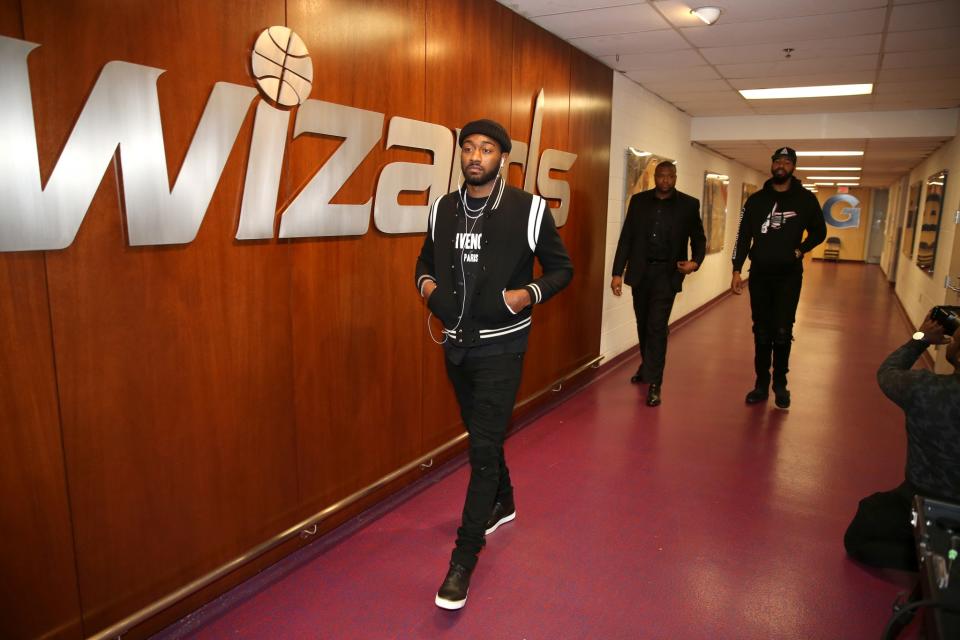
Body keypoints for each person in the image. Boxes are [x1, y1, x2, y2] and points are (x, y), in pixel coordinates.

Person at [414, 119, 573, 610]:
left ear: (503, 157)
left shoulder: (529, 210)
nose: (475, 156)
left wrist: (527, 294)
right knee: (482, 435)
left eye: (486, 148)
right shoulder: (442, 209)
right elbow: (422, 265)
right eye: (469, 147)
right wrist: (430, 293)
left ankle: (463, 559)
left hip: (502, 347)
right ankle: (503, 500)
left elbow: (562, 269)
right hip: (456, 346)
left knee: (481, 451)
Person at [844, 313, 960, 571]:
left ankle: (930, 561)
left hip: (922, 499)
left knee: (860, 534)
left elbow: (887, 372)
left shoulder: (924, 389)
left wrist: (920, 339)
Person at [731, 146, 826, 408]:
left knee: (783, 331)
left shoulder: (805, 200)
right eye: (777, 161)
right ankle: (761, 384)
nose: (781, 165)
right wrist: (736, 269)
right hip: (760, 274)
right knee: (761, 332)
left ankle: (780, 384)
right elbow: (743, 236)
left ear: (793, 167)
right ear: (772, 165)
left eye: (786, 161)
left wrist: (802, 249)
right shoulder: (756, 200)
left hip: (789, 276)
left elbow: (820, 232)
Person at [611, 161, 705, 406]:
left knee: (656, 325)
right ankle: (647, 365)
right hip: (641, 273)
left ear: (675, 177)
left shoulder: (688, 205)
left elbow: (699, 238)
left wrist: (695, 261)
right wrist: (617, 273)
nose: (665, 180)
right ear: (655, 177)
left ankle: (655, 383)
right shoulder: (639, 202)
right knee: (643, 323)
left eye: (669, 176)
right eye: (661, 176)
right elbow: (626, 239)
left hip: (667, 273)